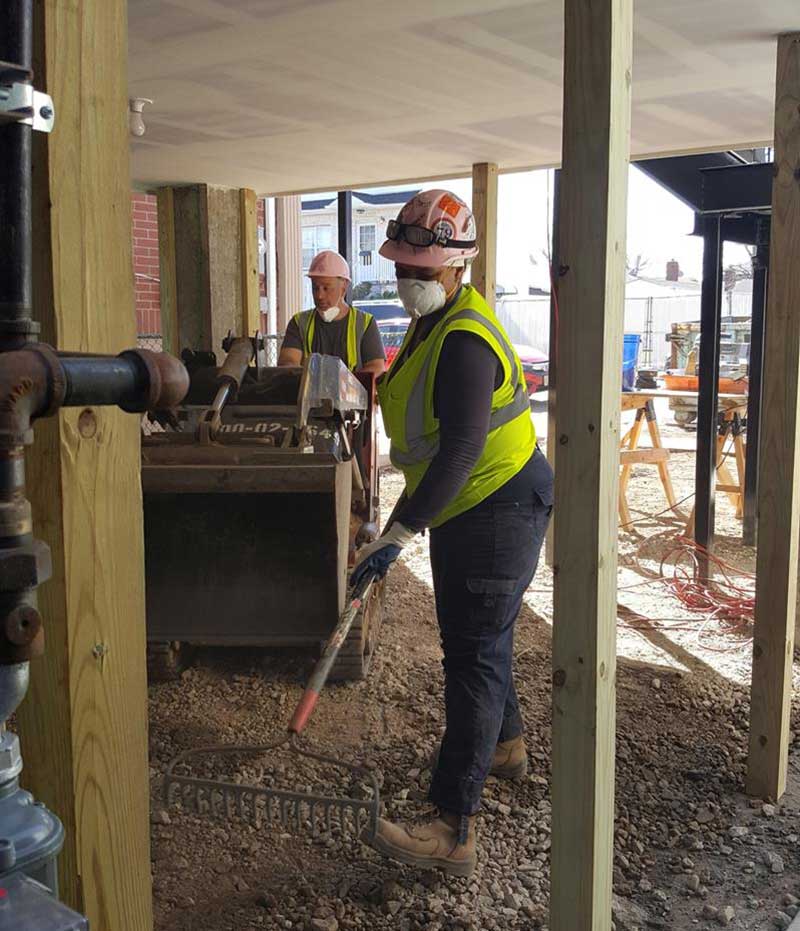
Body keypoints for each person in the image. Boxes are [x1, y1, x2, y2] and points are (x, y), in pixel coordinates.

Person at [351, 190, 553, 877]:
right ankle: (504, 747)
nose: (410, 280)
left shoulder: (464, 337)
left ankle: (452, 827)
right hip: (474, 503)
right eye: (403, 269)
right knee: (481, 640)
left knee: (473, 655)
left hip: (498, 503)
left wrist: (402, 530)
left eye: (423, 271)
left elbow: (462, 448)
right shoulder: (431, 324)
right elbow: (432, 447)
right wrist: (392, 528)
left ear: (457, 266)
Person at [278, 250, 385, 374]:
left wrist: (343, 383)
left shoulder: (365, 323)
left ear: (344, 287)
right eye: (315, 288)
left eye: (326, 288)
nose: (319, 296)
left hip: (351, 388)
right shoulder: (299, 323)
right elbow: (288, 363)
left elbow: (376, 368)